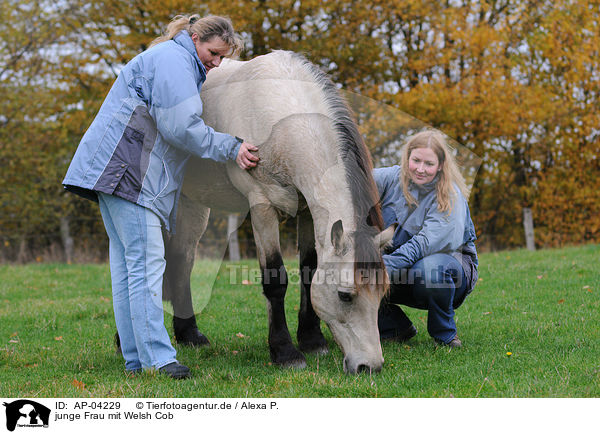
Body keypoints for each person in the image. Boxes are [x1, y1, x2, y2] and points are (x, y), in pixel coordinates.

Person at [62, 14, 259, 378]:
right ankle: (158, 359)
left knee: (128, 270)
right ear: (196, 37)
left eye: (222, 58)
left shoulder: (174, 59)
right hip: (129, 173)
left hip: (118, 171)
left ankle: (137, 360)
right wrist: (230, 147)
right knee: (147, 266)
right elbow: (180, 127)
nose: (216, 63)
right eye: (213, 53)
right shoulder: (173, 60)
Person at [373, 130, 478, 348]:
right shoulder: (392, 177)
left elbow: (423, 246)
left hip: (447, 271)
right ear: (407, 159)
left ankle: (445, 334)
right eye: (416, 161)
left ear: (440, 165)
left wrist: (377, 270)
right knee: (346, 270)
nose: (420, 169)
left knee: (429, 269)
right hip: (400, 267)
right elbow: (355, 180)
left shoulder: (451, 196)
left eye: (429, 164)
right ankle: (393, 327)